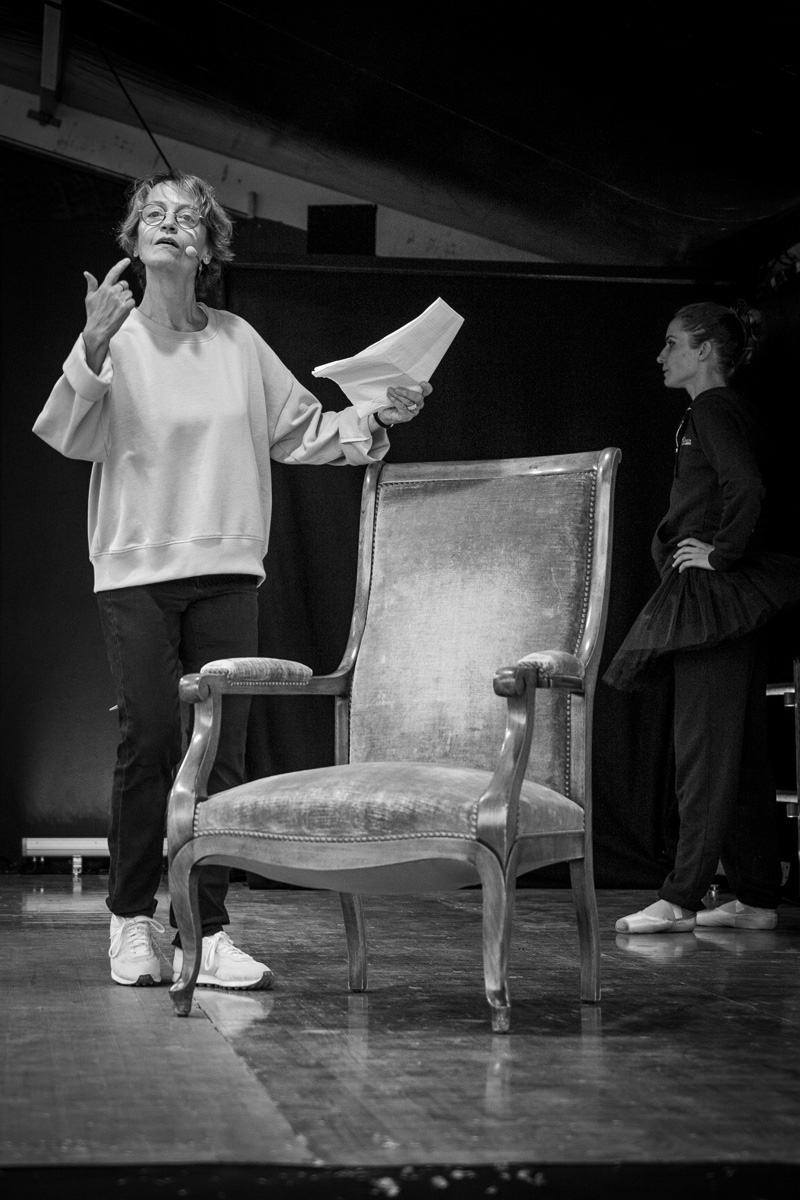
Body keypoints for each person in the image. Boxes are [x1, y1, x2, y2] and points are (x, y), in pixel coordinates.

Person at [33, 171, 431, 988]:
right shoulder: (115, 340)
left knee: (222, 757)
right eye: (153, 213)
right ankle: (130, 920)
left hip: (228, 576)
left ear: (209, 247)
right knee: (151, 744)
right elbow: (68, 435)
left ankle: (206, 931)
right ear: (133, 240)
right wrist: (92, 347)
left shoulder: (238, 341)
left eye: (188, 217)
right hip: (138, 573)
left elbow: (306, 430)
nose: (169, 224)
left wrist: (379, 416)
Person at [604, 301, 800, 935]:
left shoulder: (713, 408)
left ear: (705, 350)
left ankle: (681, 896)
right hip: (730, 601)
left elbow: (747, 486)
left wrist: (723, 553)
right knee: (740, 755)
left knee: (703, 752)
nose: (661, 356)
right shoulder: (720, 411)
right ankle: (757, 897)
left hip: (718, 598)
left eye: (672, 344)